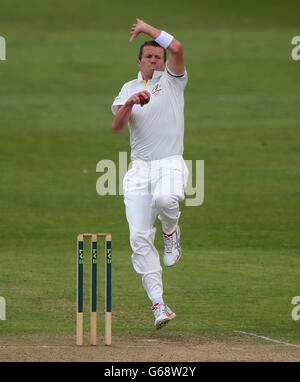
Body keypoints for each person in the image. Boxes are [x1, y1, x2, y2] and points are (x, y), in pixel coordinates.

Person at [111, 18, 189, 330]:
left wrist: (147, 28)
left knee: (166, 198)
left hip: (169, 161)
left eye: (159, 56)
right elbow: (117, 127)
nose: (155, 61)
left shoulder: (173, 79)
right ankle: (159, 305)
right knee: (138, 238)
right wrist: (130, 102)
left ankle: (172, 233)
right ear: (140, 61)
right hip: (139, 168)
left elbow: (178, 47)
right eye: (149, 57)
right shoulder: (128, 88)